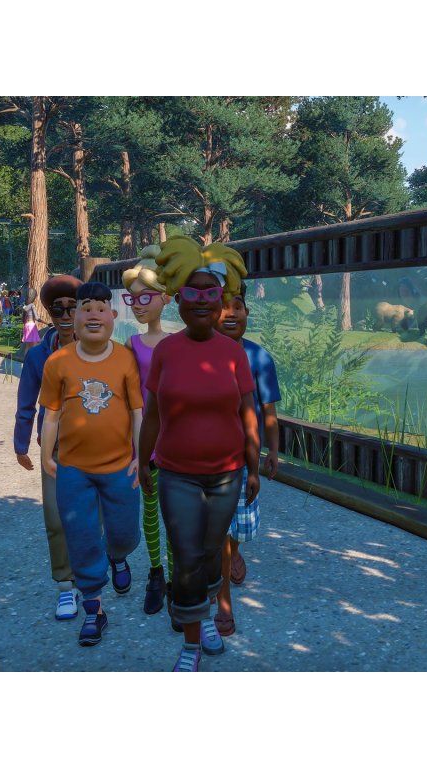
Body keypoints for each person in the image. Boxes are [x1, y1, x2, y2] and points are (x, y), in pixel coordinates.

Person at [139, 235, 258, 671]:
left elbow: (248, 412)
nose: (203, 301)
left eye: (212, 293)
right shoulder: (166, 352)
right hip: (176, 474)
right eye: (193, 292)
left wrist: (253, 467)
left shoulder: (233, 354)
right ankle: (191, 643)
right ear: (177, 298)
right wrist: (143, 460)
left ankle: (204, 614)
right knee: (186, 555)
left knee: (211, 553)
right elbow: (153, 412)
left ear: (222, 299)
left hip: (226, 474)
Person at [40, 280, 144, 647]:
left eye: (101, 308)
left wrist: (140, 456)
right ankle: (93, 608)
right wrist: (46, 455)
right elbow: (51, 414)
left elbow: (137, 412)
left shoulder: (125, 359)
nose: (93, 315)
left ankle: (118, 556)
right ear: (75, 317)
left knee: (124, 533)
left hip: (119, 467)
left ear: (113, 315)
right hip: (74, 469)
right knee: (82, 536)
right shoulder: (58, 362)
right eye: (86, 309)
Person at [212, 282, 281, 636]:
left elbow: (268, 411)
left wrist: (272, 450)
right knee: (217, 530)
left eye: (237, 306)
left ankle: (233, 551)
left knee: (237, 527)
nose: (230, 313)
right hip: (209, 461)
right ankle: (223, 600)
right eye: (223, 306)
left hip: (244, 459)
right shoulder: (201, 357)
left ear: (247, 313)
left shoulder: (259, 358)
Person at [14, 275, 83, 620]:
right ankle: (65, 584)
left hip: (97, 446)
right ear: (49, 313)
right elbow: (26, 402)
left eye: (73, 307)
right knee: (56, 518)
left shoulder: (100, 349)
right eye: (58, 309)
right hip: (54, 448)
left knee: (93, 517)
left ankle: (90, 576)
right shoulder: (38, 355)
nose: (66, 315)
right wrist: (21, 443)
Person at [122, 247, 173, 615]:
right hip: (146, 438)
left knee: (176, 512)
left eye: (145, 297)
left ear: (164, 299)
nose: (138, 305)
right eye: (133, 298)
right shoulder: (132, 344)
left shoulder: (177, 343)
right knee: (150, 509)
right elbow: (129, 396)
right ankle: (156, 573)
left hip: (176, 438)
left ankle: (177, 576)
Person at [20, 288, 42, 355]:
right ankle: (33, 359)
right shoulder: (32, 305)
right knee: (34, 345)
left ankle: (25, 359)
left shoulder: (24, 307)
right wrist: (46, 323)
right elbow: (37, 318)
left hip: (26, 326)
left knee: (27, 346)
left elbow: (23, 318)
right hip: (32, 326)